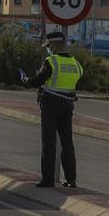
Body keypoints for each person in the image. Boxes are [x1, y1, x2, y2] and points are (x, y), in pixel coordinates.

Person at [22, 31, 83, 188]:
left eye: (49, 46)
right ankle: (71, 179)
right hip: (67, 106)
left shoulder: (51, 61)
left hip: (50, 105)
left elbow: (39, 81)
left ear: (55, 44)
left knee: (49, 142)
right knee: (67, 143)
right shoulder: (76, 63)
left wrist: (27, 80)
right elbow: (78, 78)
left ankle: (47, 179)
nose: (48, 49)